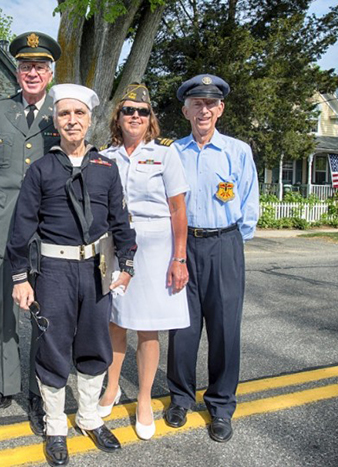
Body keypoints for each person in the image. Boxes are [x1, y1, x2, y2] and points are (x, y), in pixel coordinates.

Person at [8, 84, 137, 466]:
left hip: (95, 269)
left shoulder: (106, 168)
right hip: (54, 271)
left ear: (90, 119)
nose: (72, 120)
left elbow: (120, 222)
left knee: (95, 343)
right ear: (55, 120)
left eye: (79, 114)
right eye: (64, 114)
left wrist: (126, 266)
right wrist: (20, 277)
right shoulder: (42, 169)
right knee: (53, 345)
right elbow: (22, 227)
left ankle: (89, 417)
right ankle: (54, 425)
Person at [0, 31, 62, 434]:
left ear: (50, 72)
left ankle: (39, 395)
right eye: (26, 66)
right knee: (3, 314)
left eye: (40, 66)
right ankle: (4, 388)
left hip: (49, 232)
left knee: (45, 317)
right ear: (17, 70)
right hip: (4, 228)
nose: (32, 73)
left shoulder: (62, 112)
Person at [165, 74, 259, 443]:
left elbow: (249, 202)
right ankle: (180, 397)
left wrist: (234, 242)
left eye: (210, 103)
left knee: (224, 330)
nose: (203, 110)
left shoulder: (237, 151)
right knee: (182, 329)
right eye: (196, 103)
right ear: (185, 109)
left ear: (220, 109)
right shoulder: (174, 151)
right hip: (184, 247)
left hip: (225, 245)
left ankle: (220, 405)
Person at [98, 83, 190, 440]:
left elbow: (178, 209)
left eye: (142, 111)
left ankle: (146, 399)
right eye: (128, 111)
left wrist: (179, 258)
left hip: (154, 249)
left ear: (151, 119)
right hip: (116, 246)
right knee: (115, 323)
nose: (135, 116)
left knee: (147, 327)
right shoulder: (105, 156)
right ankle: (112, 387)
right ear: (117, 117)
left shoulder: (165, 155)